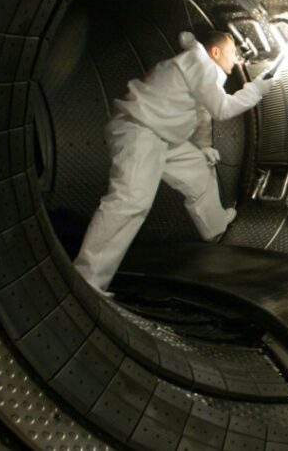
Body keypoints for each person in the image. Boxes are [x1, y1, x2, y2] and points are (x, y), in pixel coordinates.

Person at [73, 30, 276, 295]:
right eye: (232, 52)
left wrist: (202, 147)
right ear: (215, 51)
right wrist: (257, 89)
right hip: (140, 130)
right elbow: (221, 109)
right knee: (131, 201)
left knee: (199, 172)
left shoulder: (201, 69)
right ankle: (86, 281)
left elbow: (202, 114)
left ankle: (215, 226)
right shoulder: (198, 61)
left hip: (162, 136)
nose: (236, 59)